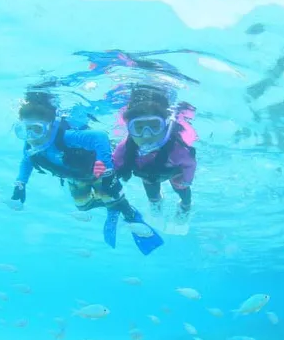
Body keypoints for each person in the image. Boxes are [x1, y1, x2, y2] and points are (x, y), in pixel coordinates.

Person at [10, 89, 163, 255]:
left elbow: (99, 136)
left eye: (36, 129)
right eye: (25, 130)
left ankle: (125, 211)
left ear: (48, 127)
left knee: (114, 197)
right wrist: (20, 182)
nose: (31, 135)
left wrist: (107, 169)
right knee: (82, 207)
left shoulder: (66, 136)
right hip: (74, 177)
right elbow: (26, 160)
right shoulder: (31, 145)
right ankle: (111, 206)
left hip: (97, 172)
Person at [112, 85, 197, 234]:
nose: (146, 135)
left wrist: (186, 180)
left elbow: (190, 164)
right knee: (152, 193)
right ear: (129, 129)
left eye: (154, 126)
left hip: (174, 173)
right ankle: (156, 204)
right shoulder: (126, 146)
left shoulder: (176, 148)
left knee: (183, 191)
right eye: (138, 128)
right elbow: (115, 164)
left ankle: (185, 206)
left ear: (165, 126)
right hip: (148, 176)